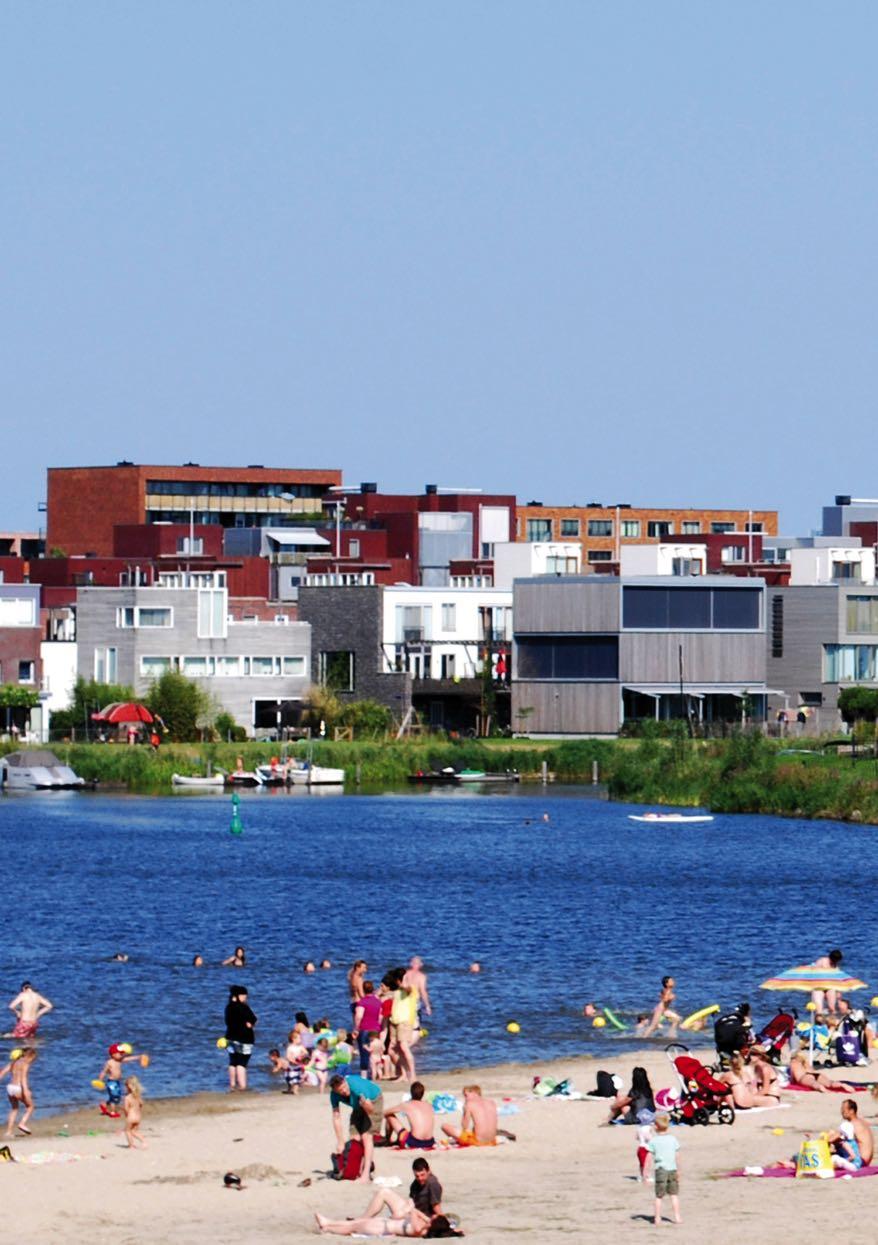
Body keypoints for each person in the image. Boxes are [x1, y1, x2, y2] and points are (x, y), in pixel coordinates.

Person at [315, 1188, 463, 1237]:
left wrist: (411, 1208)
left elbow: (414, 1212)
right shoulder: (426, 1226)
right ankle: (328, 1225)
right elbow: (421, 1216)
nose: (433, 1216)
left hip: (382, 1228)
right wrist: (453, 1230)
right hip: (384, 1224)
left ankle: (328, 1225)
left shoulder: (420, 1229)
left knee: (354, 1226)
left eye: (435, 1217)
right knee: (355, 1224)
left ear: (434, 1224)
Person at [329, 1072, 385, 1183]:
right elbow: (336, 1117)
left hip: (373, 1101)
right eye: (340, 1091)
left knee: (366, 1136)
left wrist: (364, 1104)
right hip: (357, 1105)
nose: (344, 1091)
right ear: (335, 1091)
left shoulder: (356, 1088)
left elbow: (371, 1110)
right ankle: (361, 1165)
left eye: (344, 1087)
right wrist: (340, 1141)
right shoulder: (333, 1095)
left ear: (345, 1082)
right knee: (354, 1137)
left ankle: (366, 1174)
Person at [441, 1084, 512, 1146]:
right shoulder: (491, 1103)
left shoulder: (469, 1104)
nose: (465, 1098)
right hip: (492, 1141)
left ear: (474, 1092)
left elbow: (464, 1126)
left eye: (466, 1095)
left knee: (445, 1126)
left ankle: (456, 1139)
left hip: (477, 1142)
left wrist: (464, 1111)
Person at [648, 1114, 682, 1226]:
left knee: (659, 1196)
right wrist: (679, 1170)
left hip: (660, 1169)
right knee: (674, 1195)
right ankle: (677, 1217)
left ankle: (657, 1218)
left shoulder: (653, 1141)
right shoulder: (673, 1139)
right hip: (672, 1169)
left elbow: (648, 1157)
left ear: (656, 1127)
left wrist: (645, 1171)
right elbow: (677, 1156)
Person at [224, 985, 257, 1092]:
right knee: (242, 1063)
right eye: (244, 995)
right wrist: (249, 1024)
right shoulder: (243, 1007)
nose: (245, 998)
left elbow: (227, 1022)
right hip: (244, 1038)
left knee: (232, 1061)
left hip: (230, 1037)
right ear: (239, 995)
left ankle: (232, 1085)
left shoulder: (228, 1007)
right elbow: (253, 1019)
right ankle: (242, 1086)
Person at [385, 1081, 436, 1148]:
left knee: (389, 1116)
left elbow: (385, 1112)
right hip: (430, 1142)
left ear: (411, 1093)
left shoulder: (407, 1104)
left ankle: (387, 1140)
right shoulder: (429, 1105)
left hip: (414, 1142)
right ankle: (392, 1140)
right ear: (423, 1094)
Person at [828, 1099, 874, 1170]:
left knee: (837, 1142)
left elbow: (831, 1139)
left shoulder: (853, 1124)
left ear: (852, 1111)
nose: (842, 1112)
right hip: (866, 1160)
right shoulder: (862, 1122)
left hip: (860, 1161)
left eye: (844, 1110)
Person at [0, 1048, 37, 1137]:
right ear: (29, 1056)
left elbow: (1, 1073)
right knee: (30, 1107)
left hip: (10, 1087)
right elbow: (23, 1078)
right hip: (18, 1088)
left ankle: (8, 1132)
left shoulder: (13, 1063)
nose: (32, 1061)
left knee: (14, 1109)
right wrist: (26, 1091)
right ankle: (22, 1123)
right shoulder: (25, 1064)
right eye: (33, 1059)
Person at [97, 1043, 141, 1117]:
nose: (122, 1055)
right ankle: (112, 1112)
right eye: (119, 1053)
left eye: (122, 1053)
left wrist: (138, 1057)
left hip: (117, 1082)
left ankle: (104, 1105)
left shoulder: (120, 1060)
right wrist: (100, 1080)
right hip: (111, 1082)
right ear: (113, 1054)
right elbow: (104, 1071)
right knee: (115, 1096)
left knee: (116, 1097)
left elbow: (129, 1058)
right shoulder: (109, 1062)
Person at [390, 981, 420, 1082]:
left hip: (408, 1023)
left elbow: (409, 989)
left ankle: (412, 1074)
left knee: (404, 1047)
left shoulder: (411, 990)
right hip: (396, 1021)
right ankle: (404, 1074)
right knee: (396, 1048)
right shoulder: (397, 992)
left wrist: (402, 985)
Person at [353, 981, 384, 1075]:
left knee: (364, 1053)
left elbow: (359, 1016)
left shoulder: (362, 1002)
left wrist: (356, 1028)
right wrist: (378, 1026)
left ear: (363, 989)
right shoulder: (378, 1002)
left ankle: (364, 1075)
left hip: (365, 1029)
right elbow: (380, 1017)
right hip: (375, 1029)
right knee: (376, 1052)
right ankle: (377, 1073)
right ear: (373, 989)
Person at [789, 1052, 857, 1094]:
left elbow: (792, 1076)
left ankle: (821, 1088)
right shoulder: (805, 1062)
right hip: (816, 1074)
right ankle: (842, 1085)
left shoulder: (793, 1063)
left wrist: (792, 1082)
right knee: (829, 1083)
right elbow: (811, 1071)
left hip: (804, 1076)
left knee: (813, 1083)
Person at [812, 948, 843, 1014]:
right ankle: (818, 1022)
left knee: (832, 1008)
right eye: (835, 960)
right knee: (819, 1010)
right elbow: (813, 974)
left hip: (830, 987)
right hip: (818, 987)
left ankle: (832, 1022)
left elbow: (837, 980)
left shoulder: (836, 966)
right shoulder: (822, 961)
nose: (836, 962)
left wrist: (839, 992)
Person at [123, 1075, 146, 1149]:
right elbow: (141, 1104)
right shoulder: (138, 1096)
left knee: (127, 1131)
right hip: (138, 1117)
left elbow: (126, 1108)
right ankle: (143, 1140)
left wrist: (126, 1115)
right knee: (134, 1131)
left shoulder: (127, 1098)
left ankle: (131, 1145)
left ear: (128, 1087)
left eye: (125, 1086)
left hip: (131, 1117)